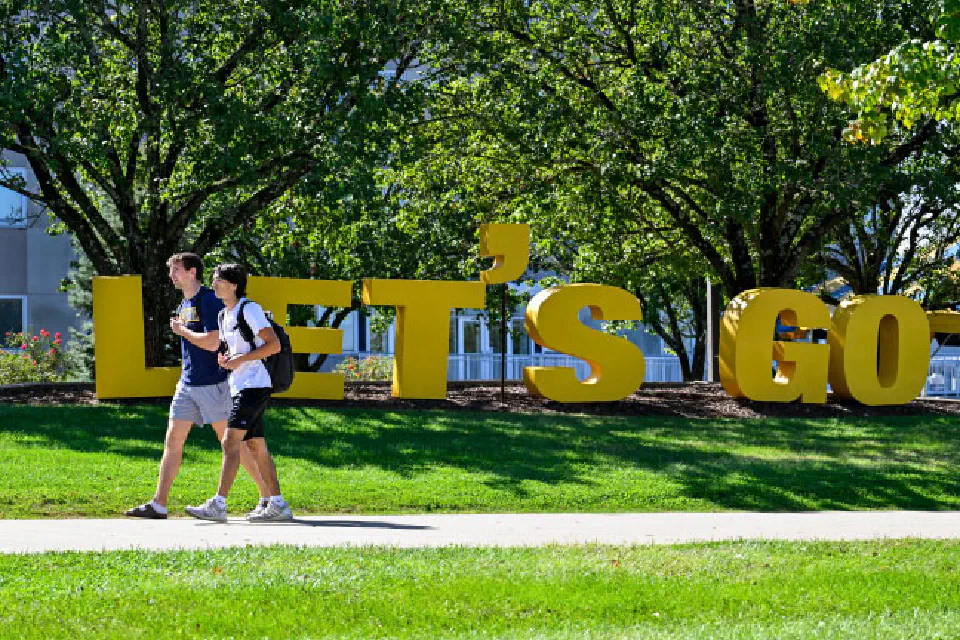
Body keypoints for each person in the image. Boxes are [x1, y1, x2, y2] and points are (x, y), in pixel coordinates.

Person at [125, 253, 272, 520]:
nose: (172, 275)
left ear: (192, 272)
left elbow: (213, 341)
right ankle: (159, 504)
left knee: (232, 444)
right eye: (171, 270)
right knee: (173, 440)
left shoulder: (208, 299)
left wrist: (183, 332)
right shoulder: (185, 303)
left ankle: (267, 497)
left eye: (177, 270)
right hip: (188, 383)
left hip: (212, 384)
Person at [185, 263, 293, 523]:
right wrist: (228, 360)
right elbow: (235, 350)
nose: (214, 284)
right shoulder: (224, 315)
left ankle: (219, 504)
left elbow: (273, 345)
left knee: (229, 441)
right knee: (255, 445)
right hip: (240, 385)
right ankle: (276, 503)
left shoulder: (250, 309)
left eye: (218, 280)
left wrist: (241, 359)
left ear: (233, 284)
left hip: (255, 384)